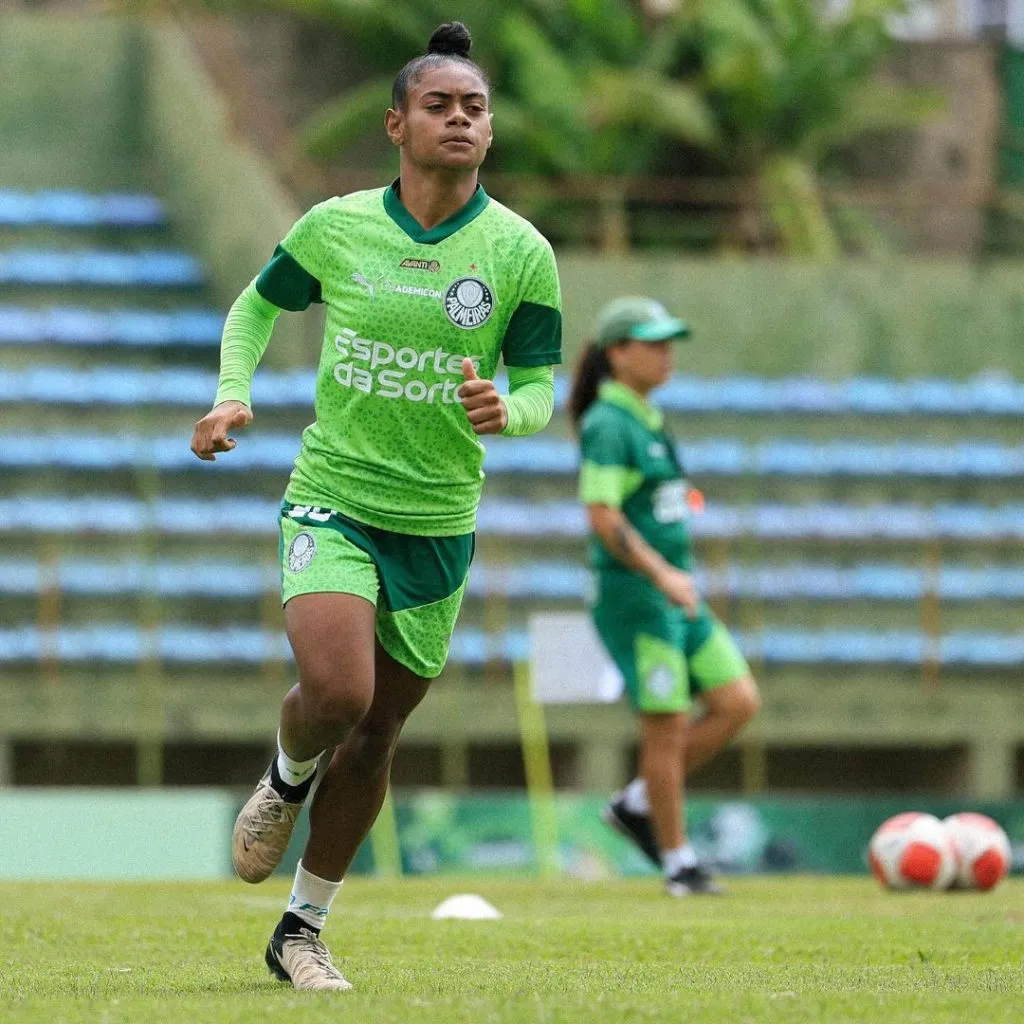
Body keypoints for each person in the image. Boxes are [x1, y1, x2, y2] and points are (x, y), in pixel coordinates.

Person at [189, 22, 561, 991]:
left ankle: (300, 929)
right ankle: (285, 775)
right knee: (341, 693)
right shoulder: (337, 226)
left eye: (474, 107)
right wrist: (233, 391)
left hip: (437, 522)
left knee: (379, 730)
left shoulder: (520, 251)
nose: (460, 118)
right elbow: (256, 305)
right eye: (439, 104)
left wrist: (510, 410)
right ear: (397, 124)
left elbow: (539, 383)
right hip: (334, 498)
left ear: (490, 129)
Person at [569, 296, 760, 896]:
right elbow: (602, 515)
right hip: (639, 598)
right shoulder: (608, 423)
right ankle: (679, 865)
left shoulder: (645, 416)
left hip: (675, 592)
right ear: (617, 353)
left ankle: (636, 802)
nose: (666, 353)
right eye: (653, 343)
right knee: (666, 727)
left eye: (669, 342)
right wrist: (663, 575)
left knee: (737, 701)